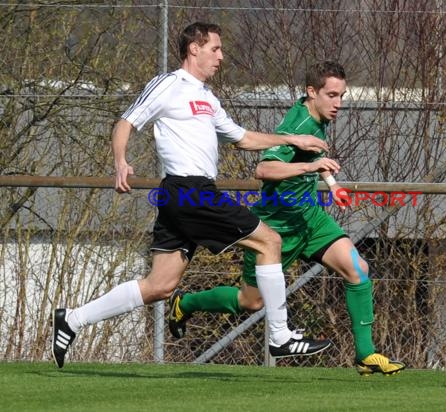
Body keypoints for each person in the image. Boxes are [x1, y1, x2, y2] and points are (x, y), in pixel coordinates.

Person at [51, 22, 333, 368]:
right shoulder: (169, 84)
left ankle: (72, 319)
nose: (221, 57)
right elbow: (126, 122)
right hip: (189, 190)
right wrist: (121, 161)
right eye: (215, 48)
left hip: (183, 196)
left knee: (159, 285)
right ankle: (280, 337)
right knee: (270, 241)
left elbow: (241, 138)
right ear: (194, 48)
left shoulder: (207, 97)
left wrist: (292, 140)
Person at [168, 60, 406, 376]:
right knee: (250, 302)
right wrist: (309, 168)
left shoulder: (318, 116)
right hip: (275, 227)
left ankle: (366, 355)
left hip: (309, 219)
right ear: (312, 92)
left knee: (357, 268)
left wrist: (332, 186)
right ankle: (186, 304)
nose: (338, 103)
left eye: (342, 96)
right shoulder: (297, 125)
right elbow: (264, 170)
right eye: (332, 95)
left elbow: (313, 158)